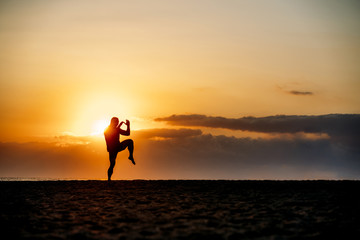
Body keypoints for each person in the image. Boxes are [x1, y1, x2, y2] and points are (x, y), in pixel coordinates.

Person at [104, 117, 135, 181]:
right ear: (112, 122)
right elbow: (110, 135)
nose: (116, 123)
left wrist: (128, 125)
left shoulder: (117, 129)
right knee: (112, 164)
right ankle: (109, 179)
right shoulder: (107, 129)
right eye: (115, 122)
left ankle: (130, 156)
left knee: (130, 141)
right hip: (112, 149)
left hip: (118, 146)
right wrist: (119, 126)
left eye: (117, 122)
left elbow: (127, 133)